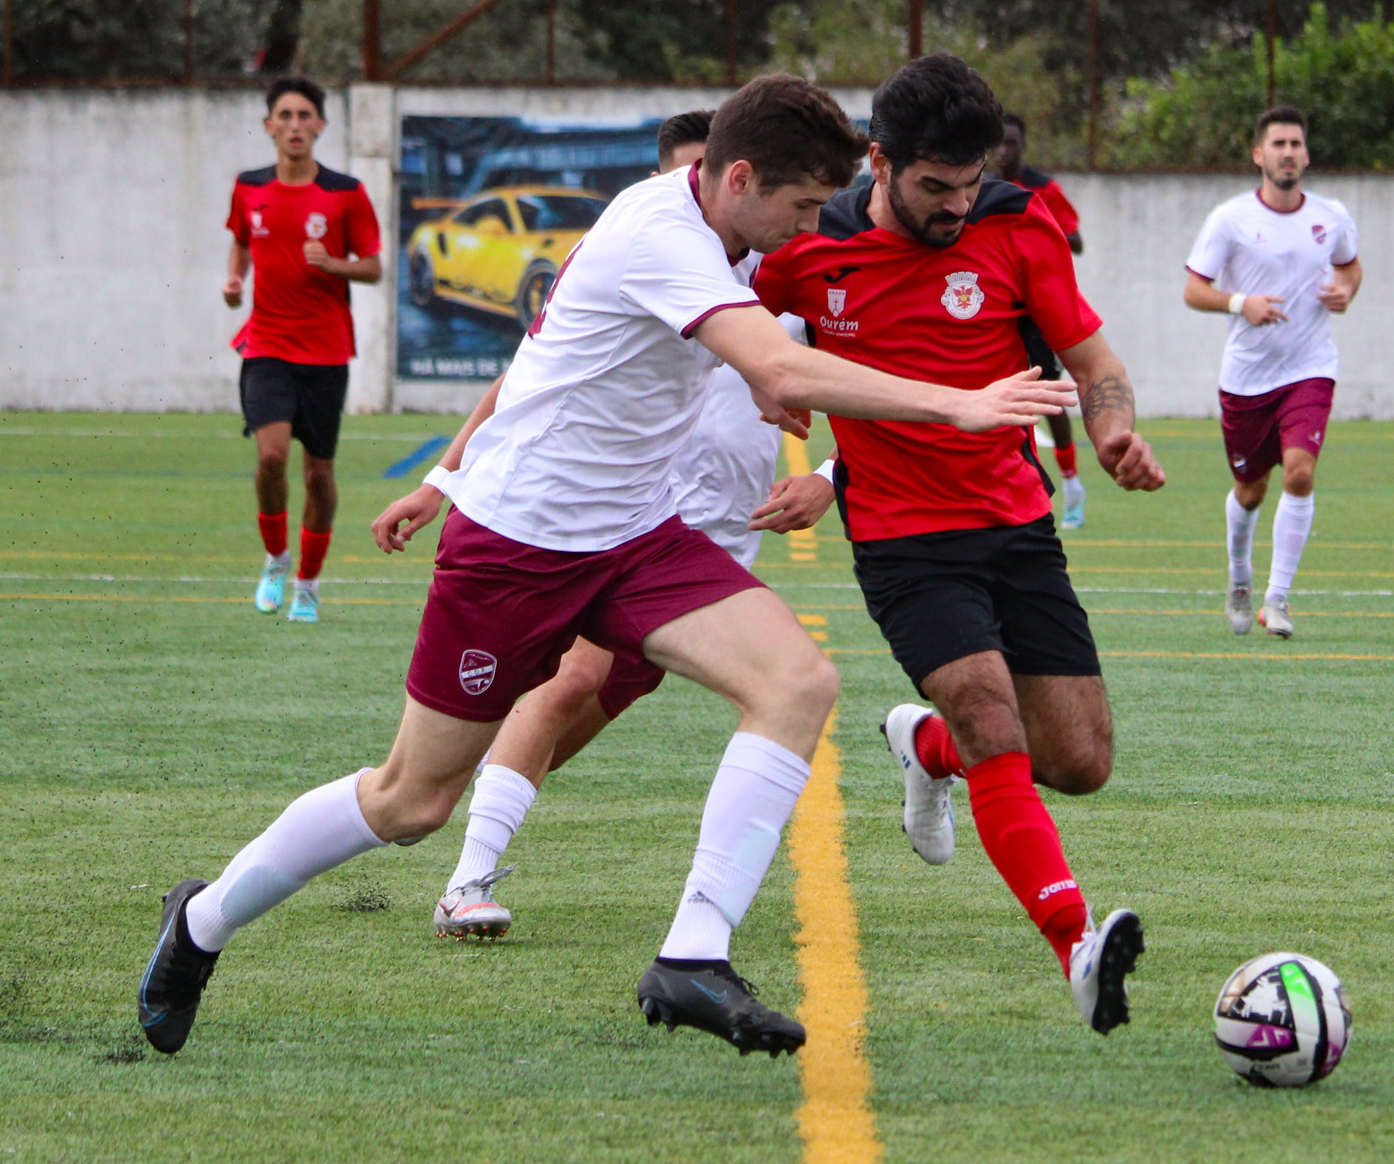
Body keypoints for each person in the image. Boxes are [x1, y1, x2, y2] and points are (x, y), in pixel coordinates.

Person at [139, 74, 1075, 1061]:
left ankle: (692, 954)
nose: (808, 230)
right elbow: (781, 364)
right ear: (741, 177)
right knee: (409, 800)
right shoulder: (658, 234)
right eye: (800, 208)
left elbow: (748, 357)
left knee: (798, 679)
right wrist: (956, 402)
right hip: (515, 545)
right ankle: (200, 921)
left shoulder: (722, 230)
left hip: (634, 535)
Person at [753, 55, 1166, 1037]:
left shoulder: (1017, 223)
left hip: (1016, 525)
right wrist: (769, 397)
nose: (955, 206)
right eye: (934, 187)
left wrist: (1110, 428)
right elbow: (731, 329)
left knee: (1077, 758)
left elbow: (1091, 358)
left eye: (968, 184)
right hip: (904, 539)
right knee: (991, 712)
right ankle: (1073, 943)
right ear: (879, 162)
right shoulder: (808, 249)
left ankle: (923, 747)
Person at [429, 108, 838, 941]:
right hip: (626, 516)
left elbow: (851, 370)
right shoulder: (657, 238)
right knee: (569, 682)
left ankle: (479, 825)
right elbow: (539, 367)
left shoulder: (782, 264)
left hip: (715, 532)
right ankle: (470, 871)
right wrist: (446, 473)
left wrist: (833, 477)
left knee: (601, 698)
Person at [1182, 106, 1362, 639]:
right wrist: (1241, 303)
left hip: (1310, 367)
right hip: (1247, 378)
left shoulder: (1332, 217)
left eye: (1296, 144)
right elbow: (1193, 289)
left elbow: (1351, 265)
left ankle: (1278, 598)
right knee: (1250, 489)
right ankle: (1240, 578)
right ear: (1259, 155)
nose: (1288, 153)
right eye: (1278, 144)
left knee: (1300, 472)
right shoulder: (1230, 219)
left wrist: (1347, 290)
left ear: (1306, 155)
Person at [224, 75, 384, 623]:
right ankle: (275, 559)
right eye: (285, 116)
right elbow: (242, 241)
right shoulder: (248, 187)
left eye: (304, 116)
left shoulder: (346, 192)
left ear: (320, 126)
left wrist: (333, 264)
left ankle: (308, 584)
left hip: (326, 352)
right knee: (270, 457)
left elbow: (374, 266)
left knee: (318, 474)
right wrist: (234, 281)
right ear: (270, 125)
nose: (295, 125)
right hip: (266, 345)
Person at [992, 112, 1088, 527]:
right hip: (993, 303)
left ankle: (1071, 485)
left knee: (1047, 394)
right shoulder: (979, 189)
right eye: (998, 143)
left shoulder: (1042, 188)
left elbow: (1076, 239)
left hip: (1034, 306)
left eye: (1011, 143)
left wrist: (1036, 230)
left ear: (1022, 146)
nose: (1003, 151)